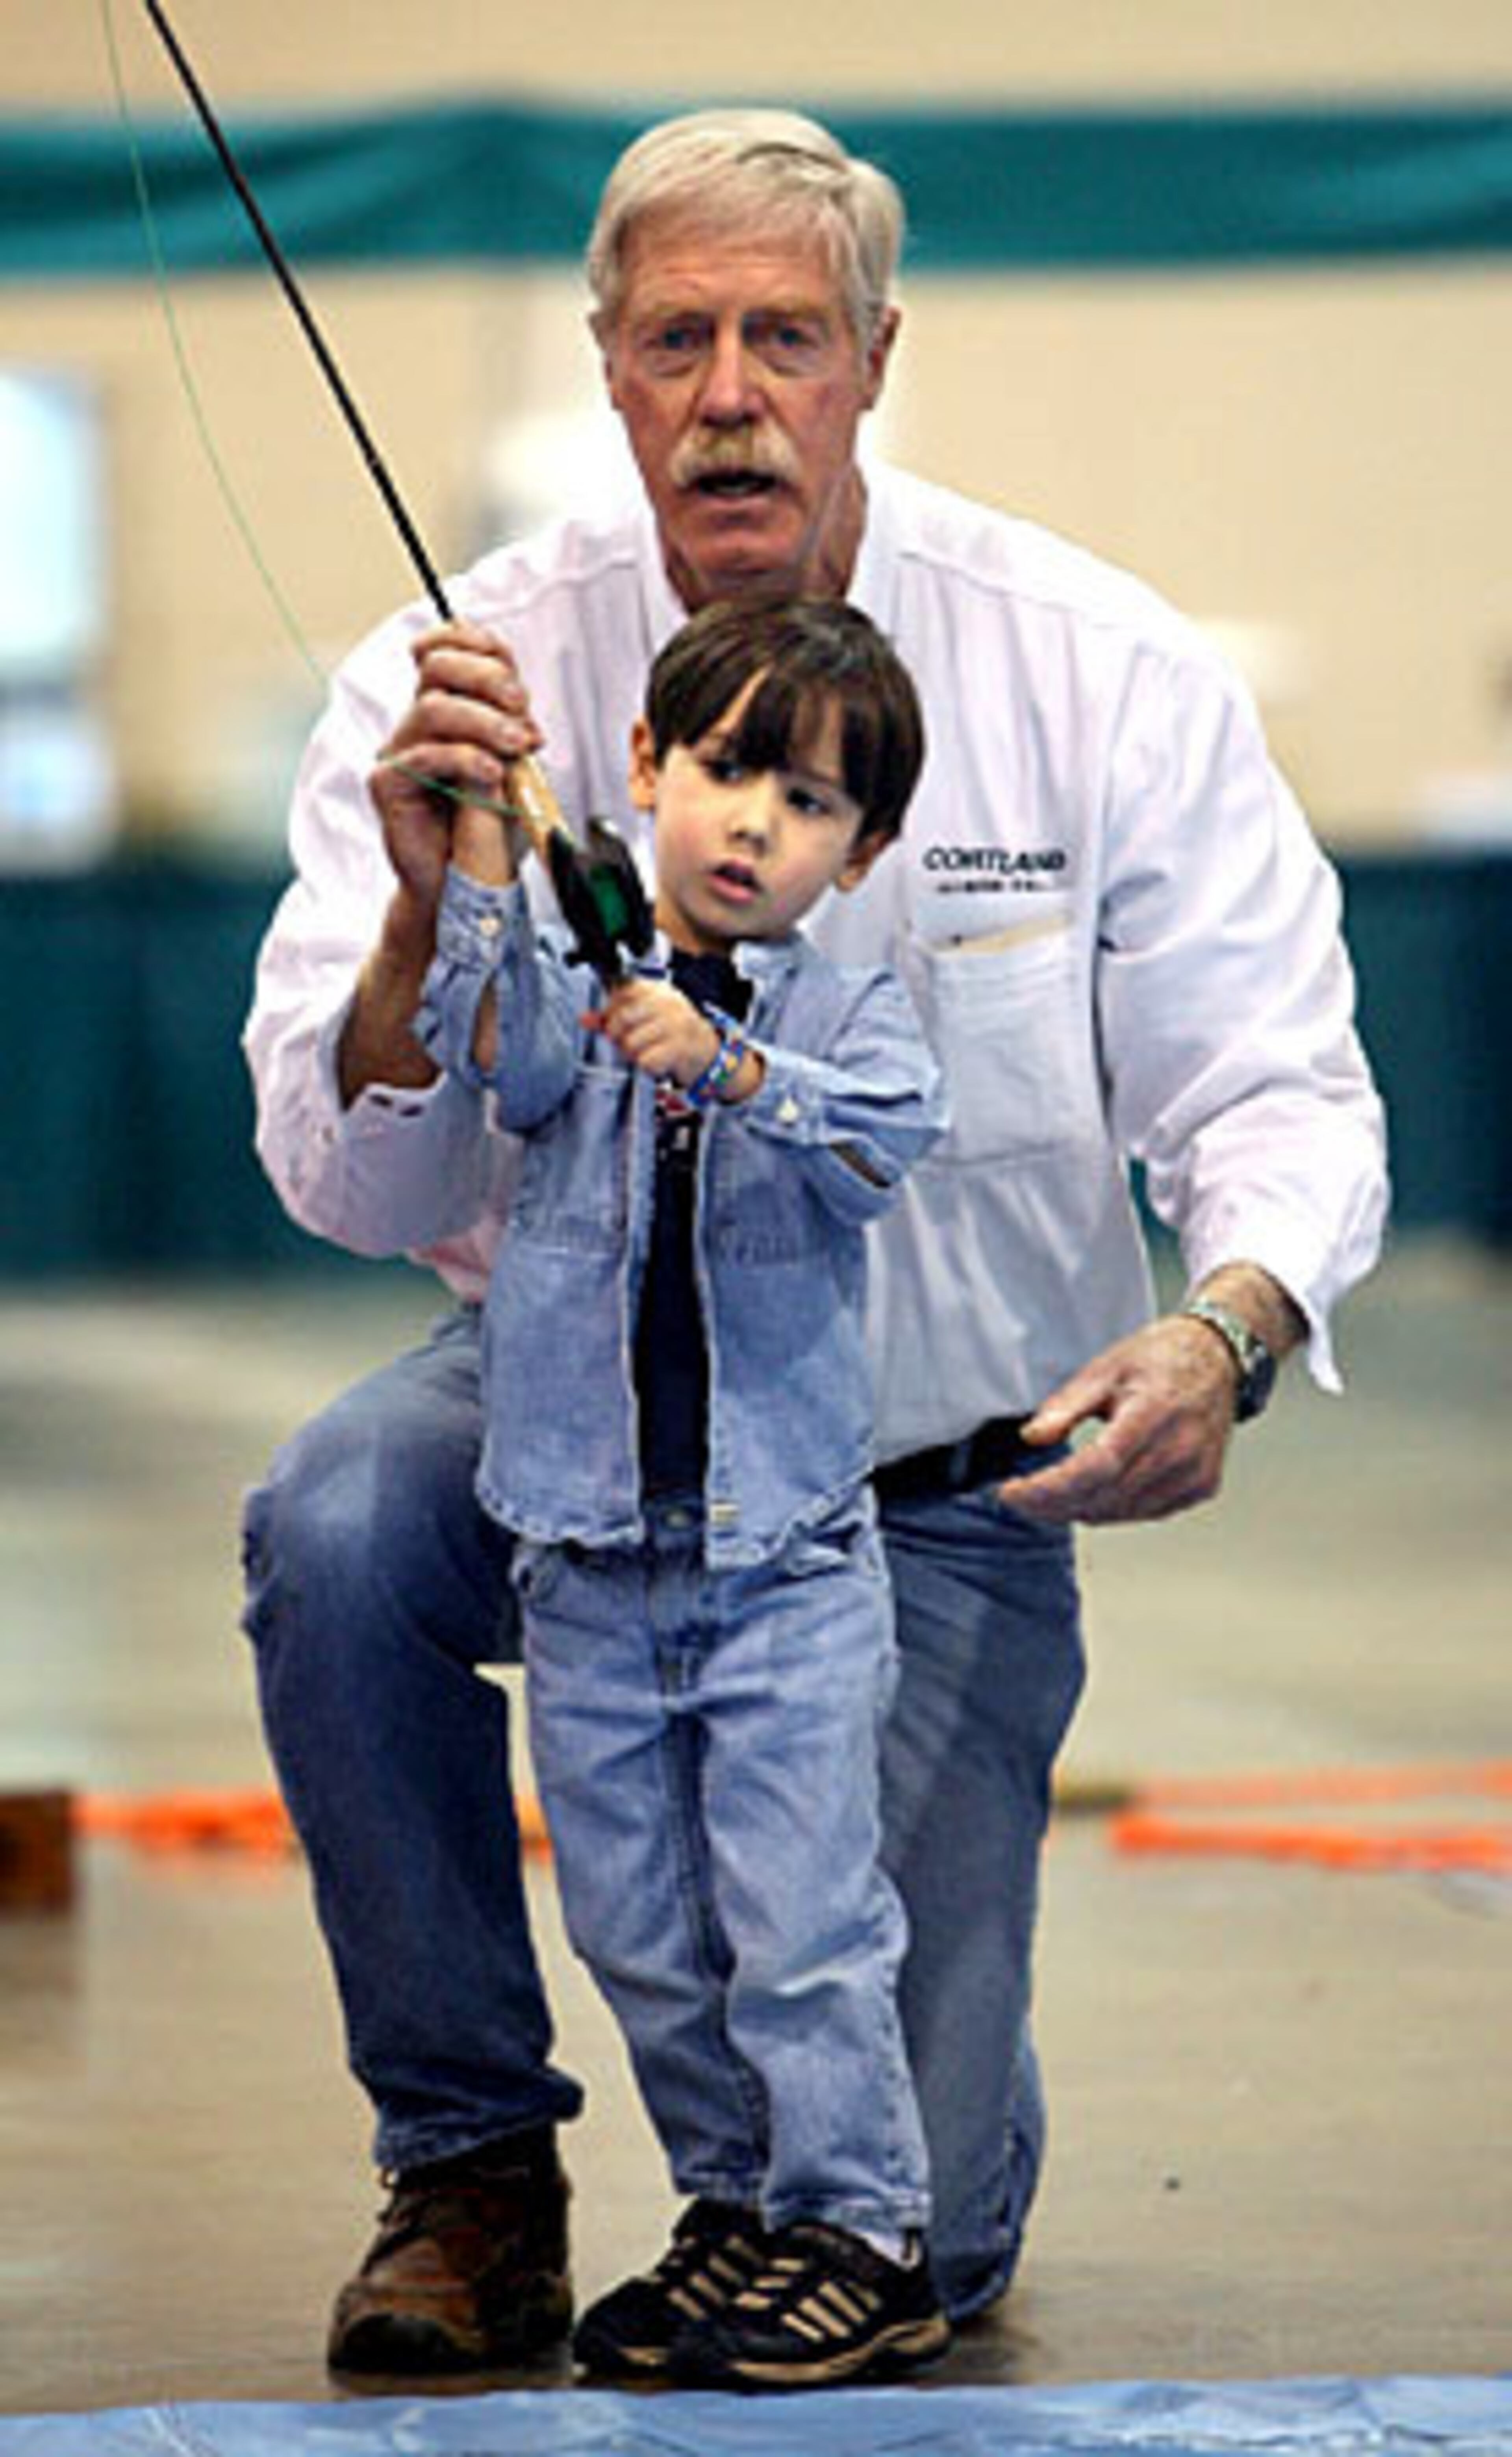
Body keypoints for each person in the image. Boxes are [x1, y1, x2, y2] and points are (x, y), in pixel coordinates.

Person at [241, 107, 1389, 2378]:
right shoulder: (451, 677)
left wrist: (1228, 1333)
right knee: (344, 1521)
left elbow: (1279, 1083)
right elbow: (355, 1185)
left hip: (938, 1490)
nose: (730, 394)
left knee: (922, 2236)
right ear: (607, 367)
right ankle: (469, 2167)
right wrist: (419, 918)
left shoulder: (1098, 668)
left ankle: (864, 2183)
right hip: (580, 1426)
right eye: (677, 340)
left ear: (875, 357)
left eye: (784, 337)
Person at [416, 595, 949, 2389]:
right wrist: (483, 853)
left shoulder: (856, 1013)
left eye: (809, 804)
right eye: (725, 770)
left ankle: (860, 2228)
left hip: (781, 1565)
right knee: (641, 1929)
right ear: (644, 769)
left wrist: (729, 1066)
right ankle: (736, 2206)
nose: (752, 824)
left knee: (801, 1927)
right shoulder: (574, 977)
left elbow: (882, 1141)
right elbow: (496, 1056)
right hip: (585, 1563)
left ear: (859, 853)